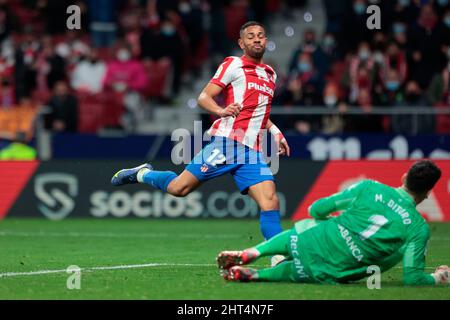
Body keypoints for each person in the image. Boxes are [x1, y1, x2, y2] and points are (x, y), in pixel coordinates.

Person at [111, 22, 290, 265]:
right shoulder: (233, 64)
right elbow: (203, 97)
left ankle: (278, 258)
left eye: (260, 36)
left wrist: (276, 132)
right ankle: (142, 173)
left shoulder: (270, 74)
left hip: (252, 151)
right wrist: (221, 110)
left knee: (270, 201)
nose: (256, 40)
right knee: (179, 189)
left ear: (266, 40)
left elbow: (260, 113)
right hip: (227, 143)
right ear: (242, 43)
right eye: (251, 37)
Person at [217, 160, 450, 286]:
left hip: (313, 239)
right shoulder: (419, 229)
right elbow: (413, 278)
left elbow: (316, 209)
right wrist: (440, 277)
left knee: (307, 228)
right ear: (428, 193)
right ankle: (258, 276)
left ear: (403, 177)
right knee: (301, 271)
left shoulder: (369, 187)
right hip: (332, 267)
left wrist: (328, 220)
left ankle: (253, 252)